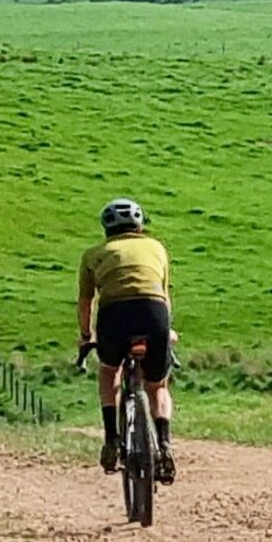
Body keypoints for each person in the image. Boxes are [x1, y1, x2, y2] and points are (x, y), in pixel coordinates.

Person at [78, 198, 175, 483]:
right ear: (140, 225)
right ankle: (165, 444)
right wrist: (166, 330)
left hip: (114, 317)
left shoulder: (93, 254)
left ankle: (111, 439)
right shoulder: (157, 248)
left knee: (109, 371)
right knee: (158, 385)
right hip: (154, 313)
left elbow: (86, 303)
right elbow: (163, 295)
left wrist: (86, 338)